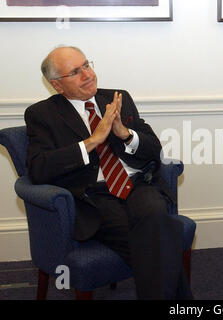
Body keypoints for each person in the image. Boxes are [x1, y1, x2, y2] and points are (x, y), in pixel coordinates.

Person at [25, 46, 192, 299]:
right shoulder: (41, 114)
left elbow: (154, 149)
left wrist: (124, 133)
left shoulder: (117, 99)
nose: (87, 75)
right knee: (157, 241)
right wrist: (92, 141)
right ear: (57, 85)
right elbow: (38, 169)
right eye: (75, 72)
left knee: (154, 217)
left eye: (86, 65)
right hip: (94, 198)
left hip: (138, 185)